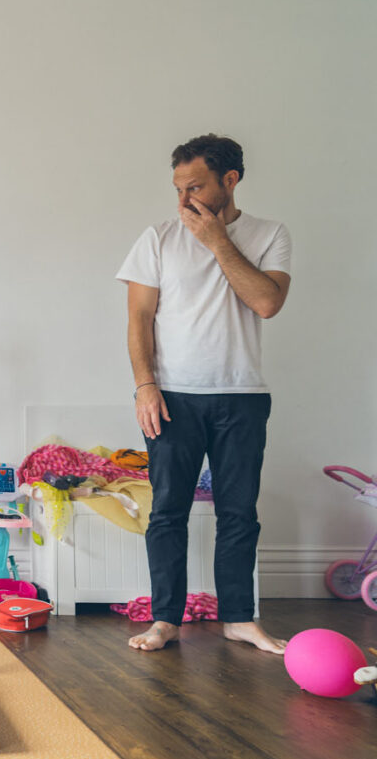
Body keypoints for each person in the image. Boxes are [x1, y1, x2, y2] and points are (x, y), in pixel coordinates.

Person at [116, 134, 292, 654]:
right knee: (167, 510)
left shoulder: (270, 234)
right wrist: (144, 386)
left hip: (242, 396)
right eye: (178, 187)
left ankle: (239, 618)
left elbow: (265, 302)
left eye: (195, 186)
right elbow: (138, 319)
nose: (183, 199)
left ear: (230, 181)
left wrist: (217, 241)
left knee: (240, 513)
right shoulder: (158, 238)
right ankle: (165, 619)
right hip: (171, 396)